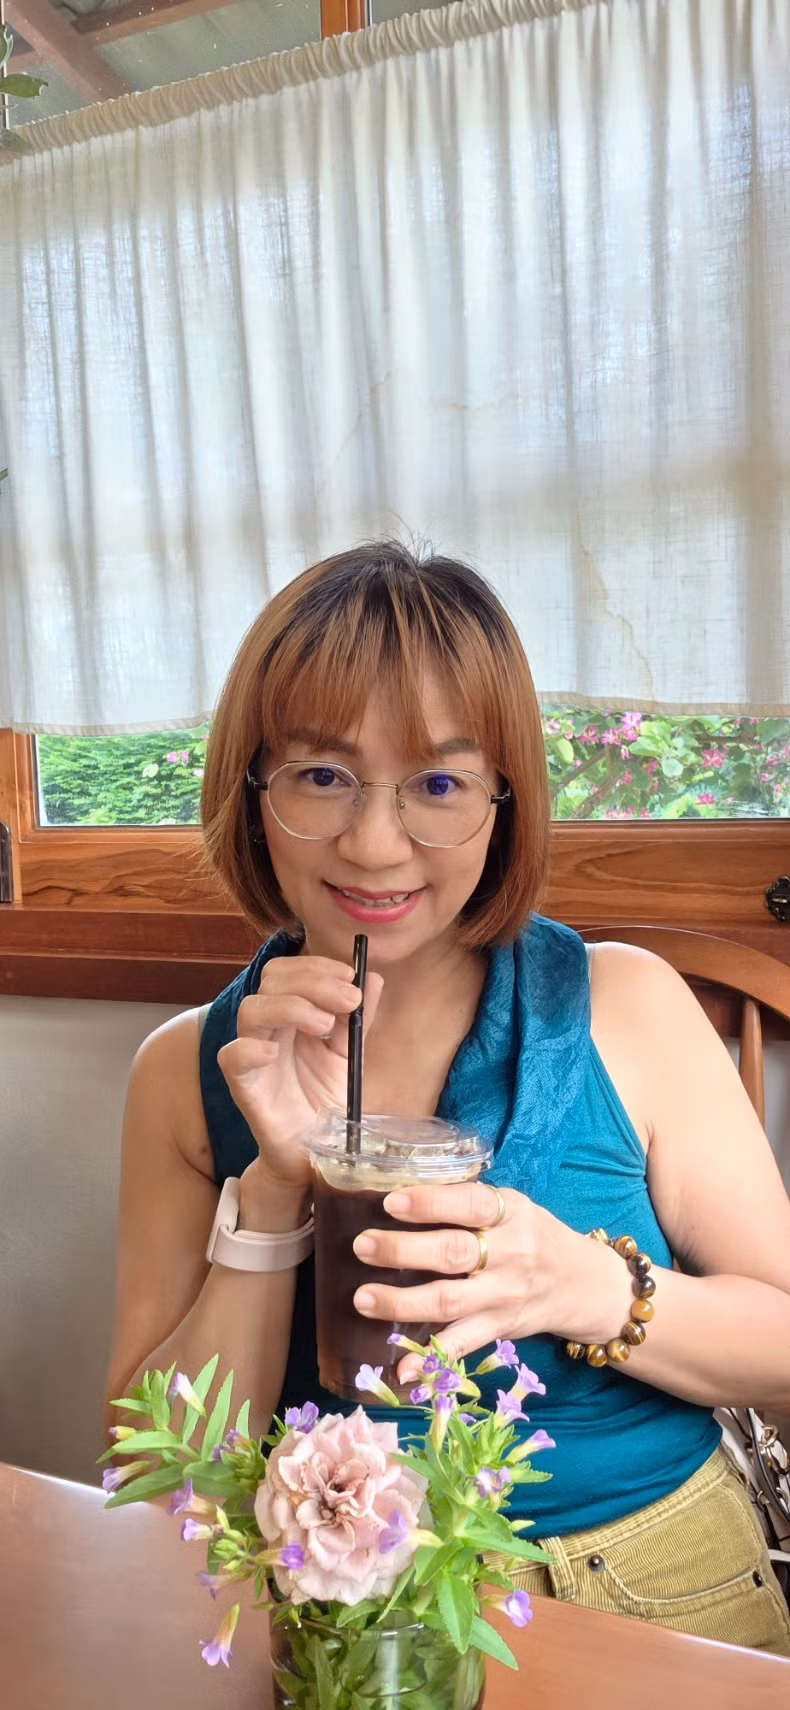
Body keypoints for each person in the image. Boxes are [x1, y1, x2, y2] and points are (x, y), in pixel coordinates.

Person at [104, 542, 790, 1653]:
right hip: (352, 1620)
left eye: (438, 784)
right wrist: (273, 1194)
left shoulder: (627, 1004)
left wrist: (585, 1286)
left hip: (661, 1581)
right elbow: (153, 1473)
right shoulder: (183, 1071)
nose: (375, 844)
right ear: (253, 791)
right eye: (321, 775)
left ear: (502, 803)